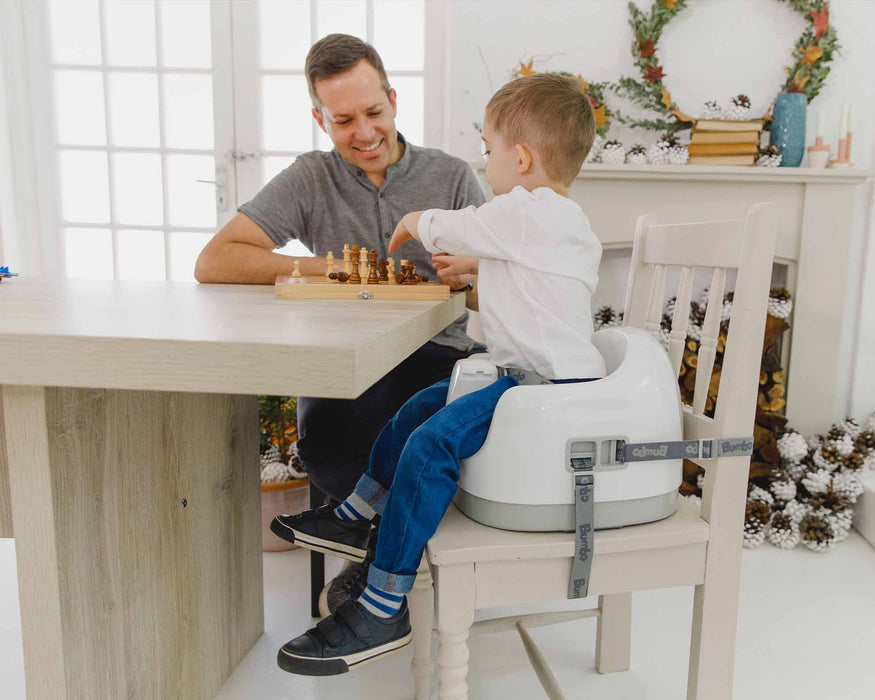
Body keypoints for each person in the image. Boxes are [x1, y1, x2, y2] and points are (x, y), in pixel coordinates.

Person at [271, 72, 606, 676]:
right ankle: (353, 516)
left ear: (522, 158)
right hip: (523, 377)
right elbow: (516, 270)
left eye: (489, 151)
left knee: (429, 448)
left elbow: (460, 224)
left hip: (545, 392)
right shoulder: (546, 225)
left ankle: (383, 603)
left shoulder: (534, 211)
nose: (487, 167)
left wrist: (416, 220)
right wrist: (479, 266)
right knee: (423, 405)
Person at [194, 34, 485, 603]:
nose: (365, 133)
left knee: (426, 424)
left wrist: (469, 280)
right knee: (331, 435)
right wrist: (323, 268)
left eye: (374, 112)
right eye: (344, 119)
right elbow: (214, 260)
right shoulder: (309, 178)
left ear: (395, 101)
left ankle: (385, 558)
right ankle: (384, 554)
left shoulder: (450, 177)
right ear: (319, 119)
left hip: (439, 354)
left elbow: (493, 290)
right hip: (348, 362)